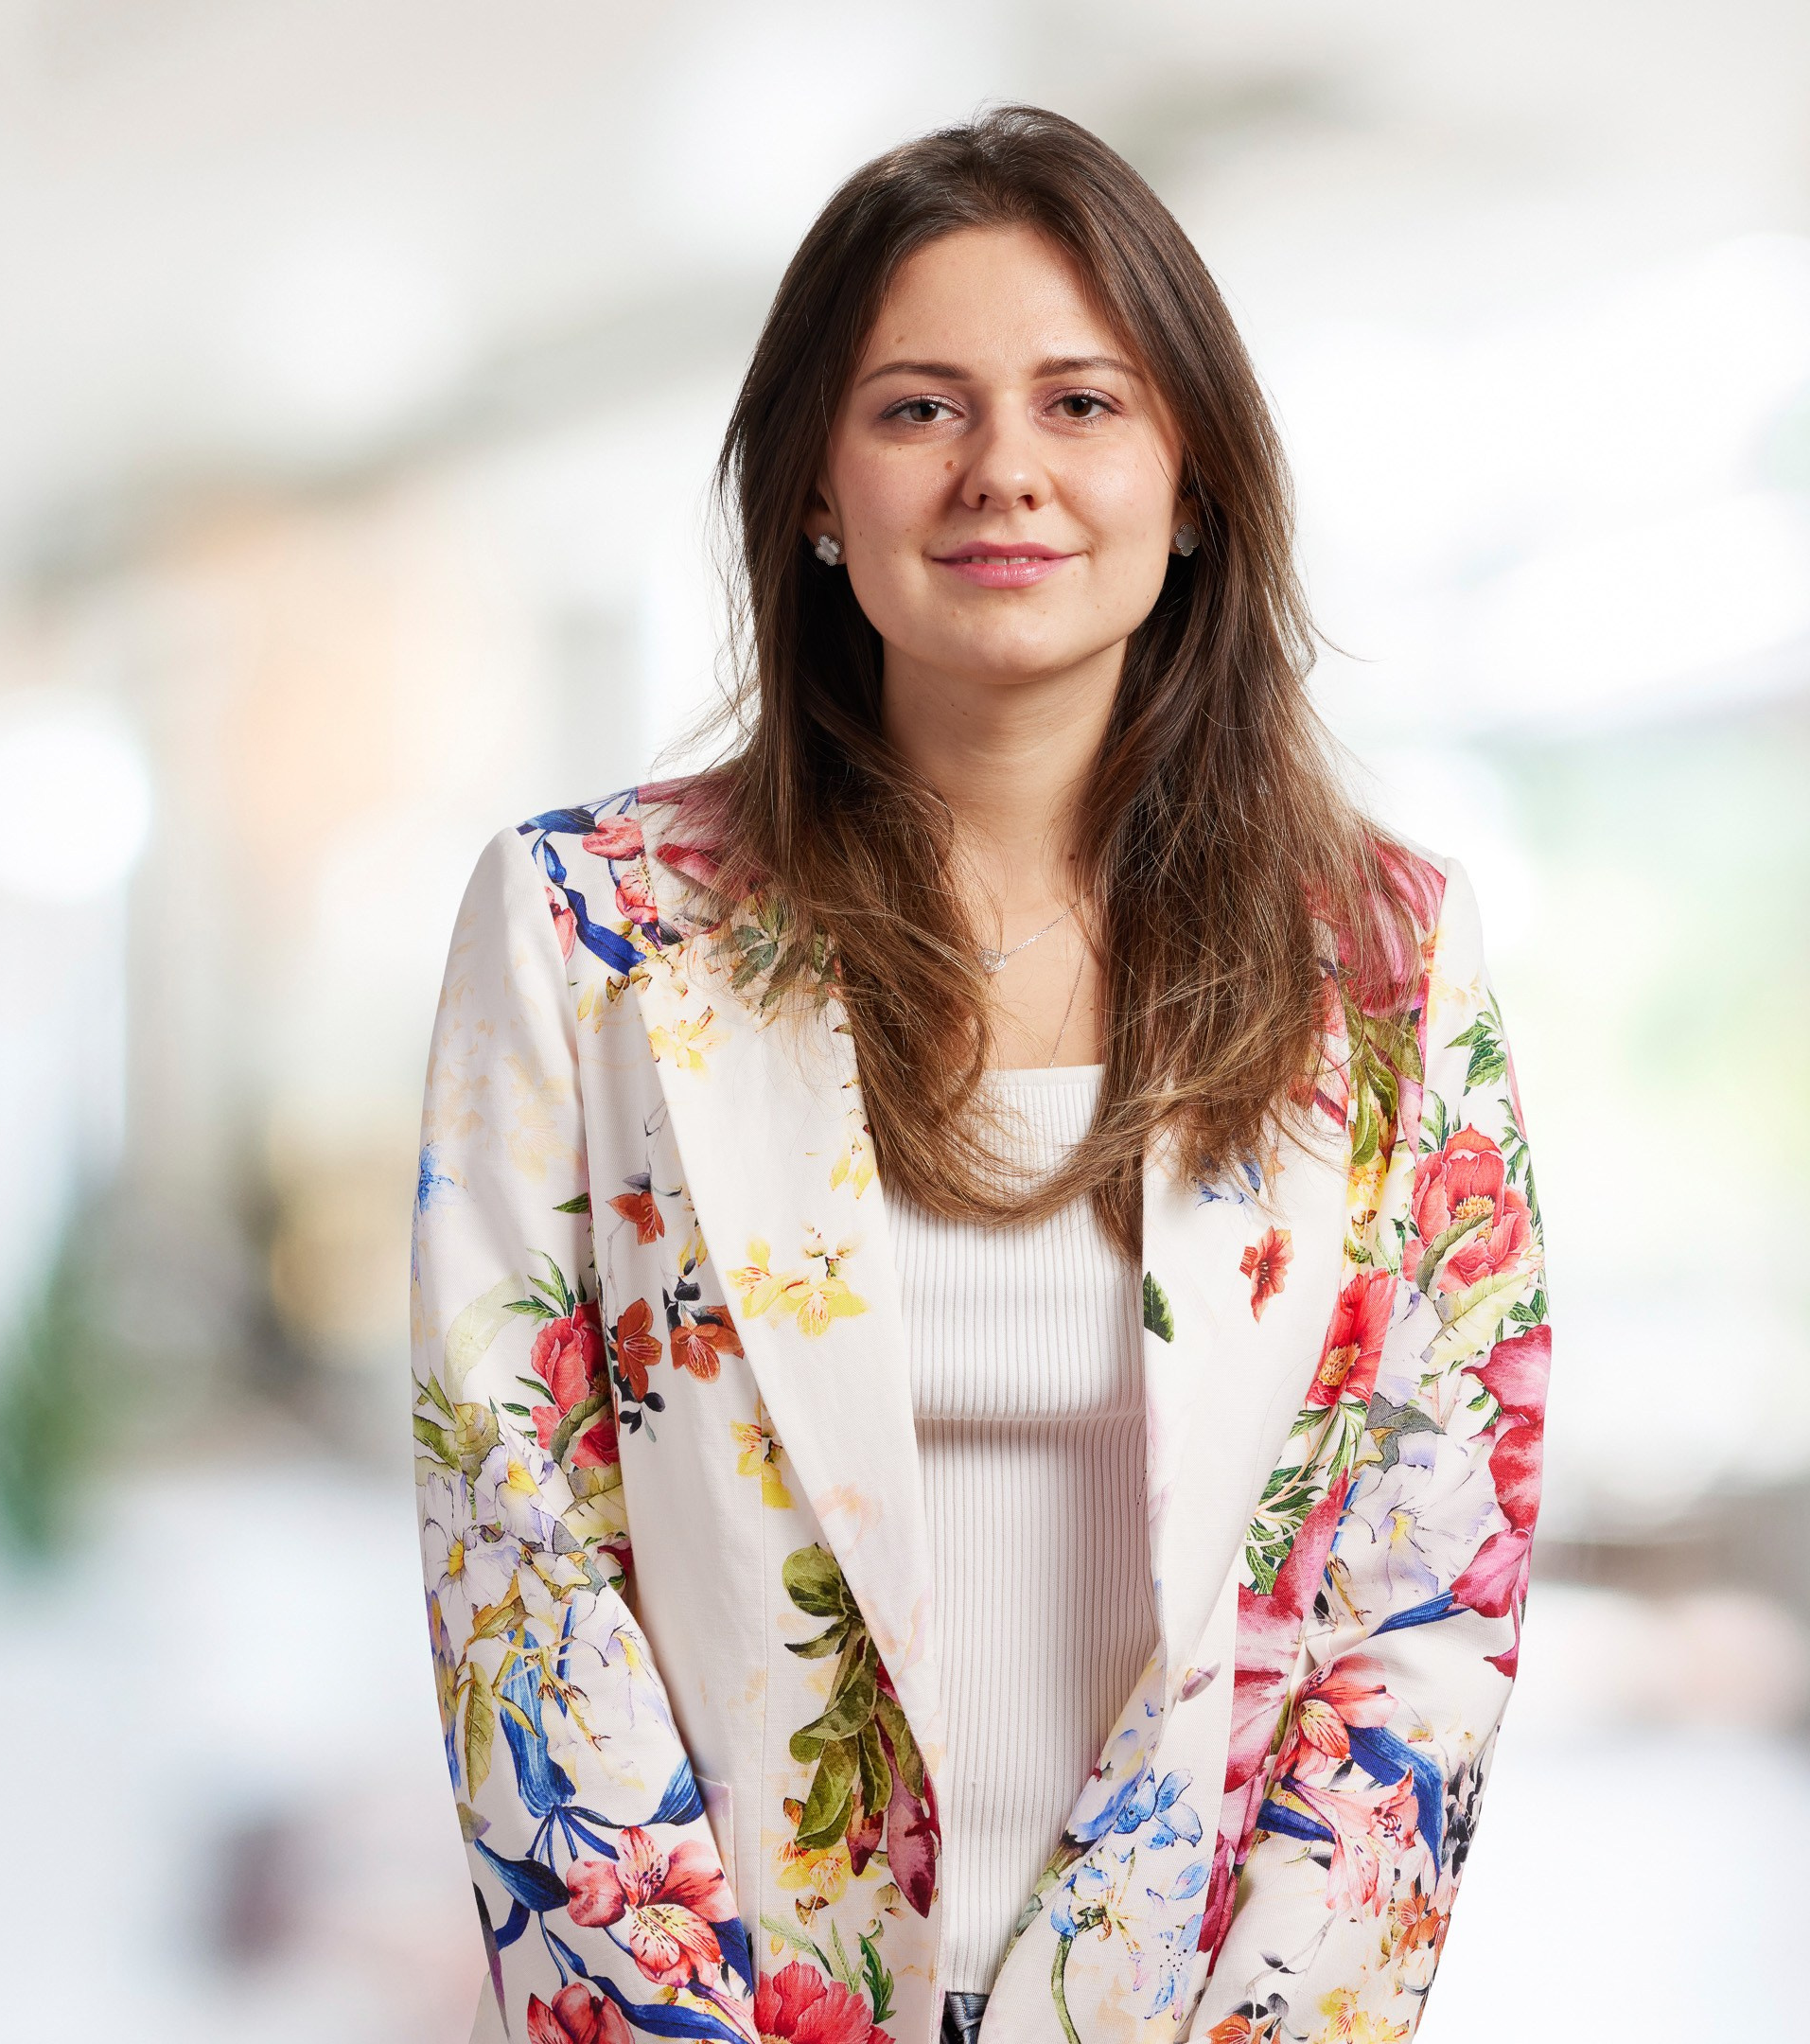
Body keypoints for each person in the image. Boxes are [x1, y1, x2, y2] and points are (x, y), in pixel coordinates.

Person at [412, 105, 1550, 2044]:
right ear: (813, 488)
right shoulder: (587, 930)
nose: (1003, 470)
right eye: (920, 408)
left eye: (1082, 403)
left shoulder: (1381, 959)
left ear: (1192, 485)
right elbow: (521, 1553)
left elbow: (1432, 1583)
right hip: (735, 2000)